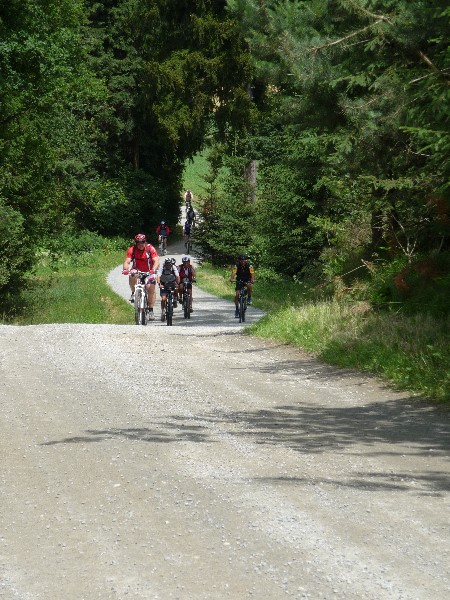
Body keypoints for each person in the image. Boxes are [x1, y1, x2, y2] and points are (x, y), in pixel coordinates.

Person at [122, 234, 160, 321]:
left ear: (145, 242)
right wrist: (125, 269)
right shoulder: (132, 249)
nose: (140, 244)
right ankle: (133, 292)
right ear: (135, 243)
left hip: (149, 271)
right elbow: (127, 261)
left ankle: (150, 310)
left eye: (142, 242)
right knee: (132, 274)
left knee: (150, 288)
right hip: (137, 270)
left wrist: (153, 269)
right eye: (138, 243)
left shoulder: (150, 248)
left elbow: (156, 260)